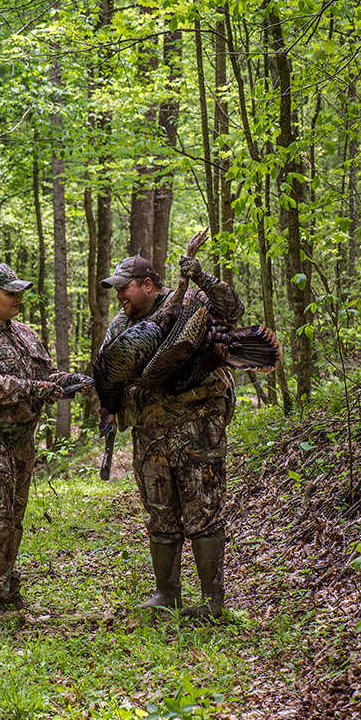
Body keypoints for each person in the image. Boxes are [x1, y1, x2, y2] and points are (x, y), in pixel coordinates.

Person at [98, 252, 244, 618]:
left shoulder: (192, 301)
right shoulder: (120, 325)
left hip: (197, 428)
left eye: (124, 288)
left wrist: (201, 277)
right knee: (159, 512)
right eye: (116, 290)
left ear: (148, 285)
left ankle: (213, 601)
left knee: (204, 510)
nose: (119, 296)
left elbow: (233, 309)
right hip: (149, 433)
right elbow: (109, 371)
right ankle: (167, 593)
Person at [0, 263, 93, 621]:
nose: (17, 298)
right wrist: (35, 389)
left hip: (21, 437)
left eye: (18, 292)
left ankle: (4, 589)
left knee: (14, 516)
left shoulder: (24, 333)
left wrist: (68, 381)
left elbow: (41, 376)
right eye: (9, 293)